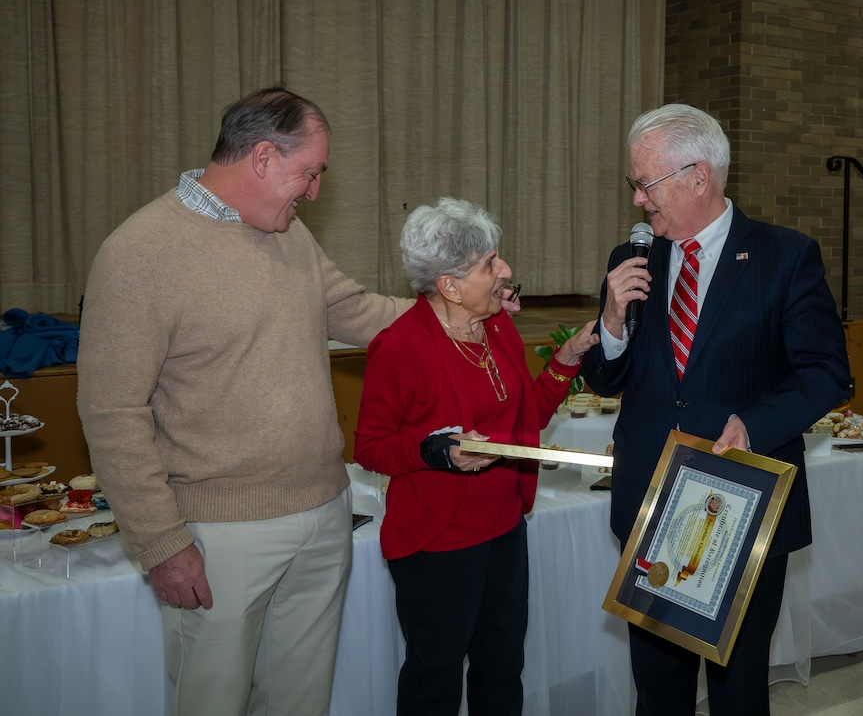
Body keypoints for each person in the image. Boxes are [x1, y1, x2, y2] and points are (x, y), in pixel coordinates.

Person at [76, 86, 415, 716]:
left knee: (301, 702)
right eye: (309, 173)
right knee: (214, 702)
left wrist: (459, 311)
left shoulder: (290, 233)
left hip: (325, 511)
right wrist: (162, 543)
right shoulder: (139, 253)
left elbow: (357, 311)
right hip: (217, 536)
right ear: (262, 157)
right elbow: (113, 414)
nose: (315, 191)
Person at [583, 103, 849, 715]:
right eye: (634, 184)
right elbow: (605, 377)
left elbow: (826, 373)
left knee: (738, 691)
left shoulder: (786, 256)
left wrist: (756, 423)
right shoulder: (631, 258)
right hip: (651, 502)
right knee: (657, 689)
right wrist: (612, 322)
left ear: (698, 176)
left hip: (742, 505)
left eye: (645, 184)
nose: (637, 201)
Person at [353, 197, 599, 716]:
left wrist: (565, 359)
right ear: (449, 285)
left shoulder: (496, 327)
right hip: (438, 541)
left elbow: (525, 420)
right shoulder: (400, 347)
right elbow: (370, 447)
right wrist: (435, 451)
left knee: (502, 669)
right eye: (489, 264)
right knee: (434, 682)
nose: (504, 270)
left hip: (505, 527)